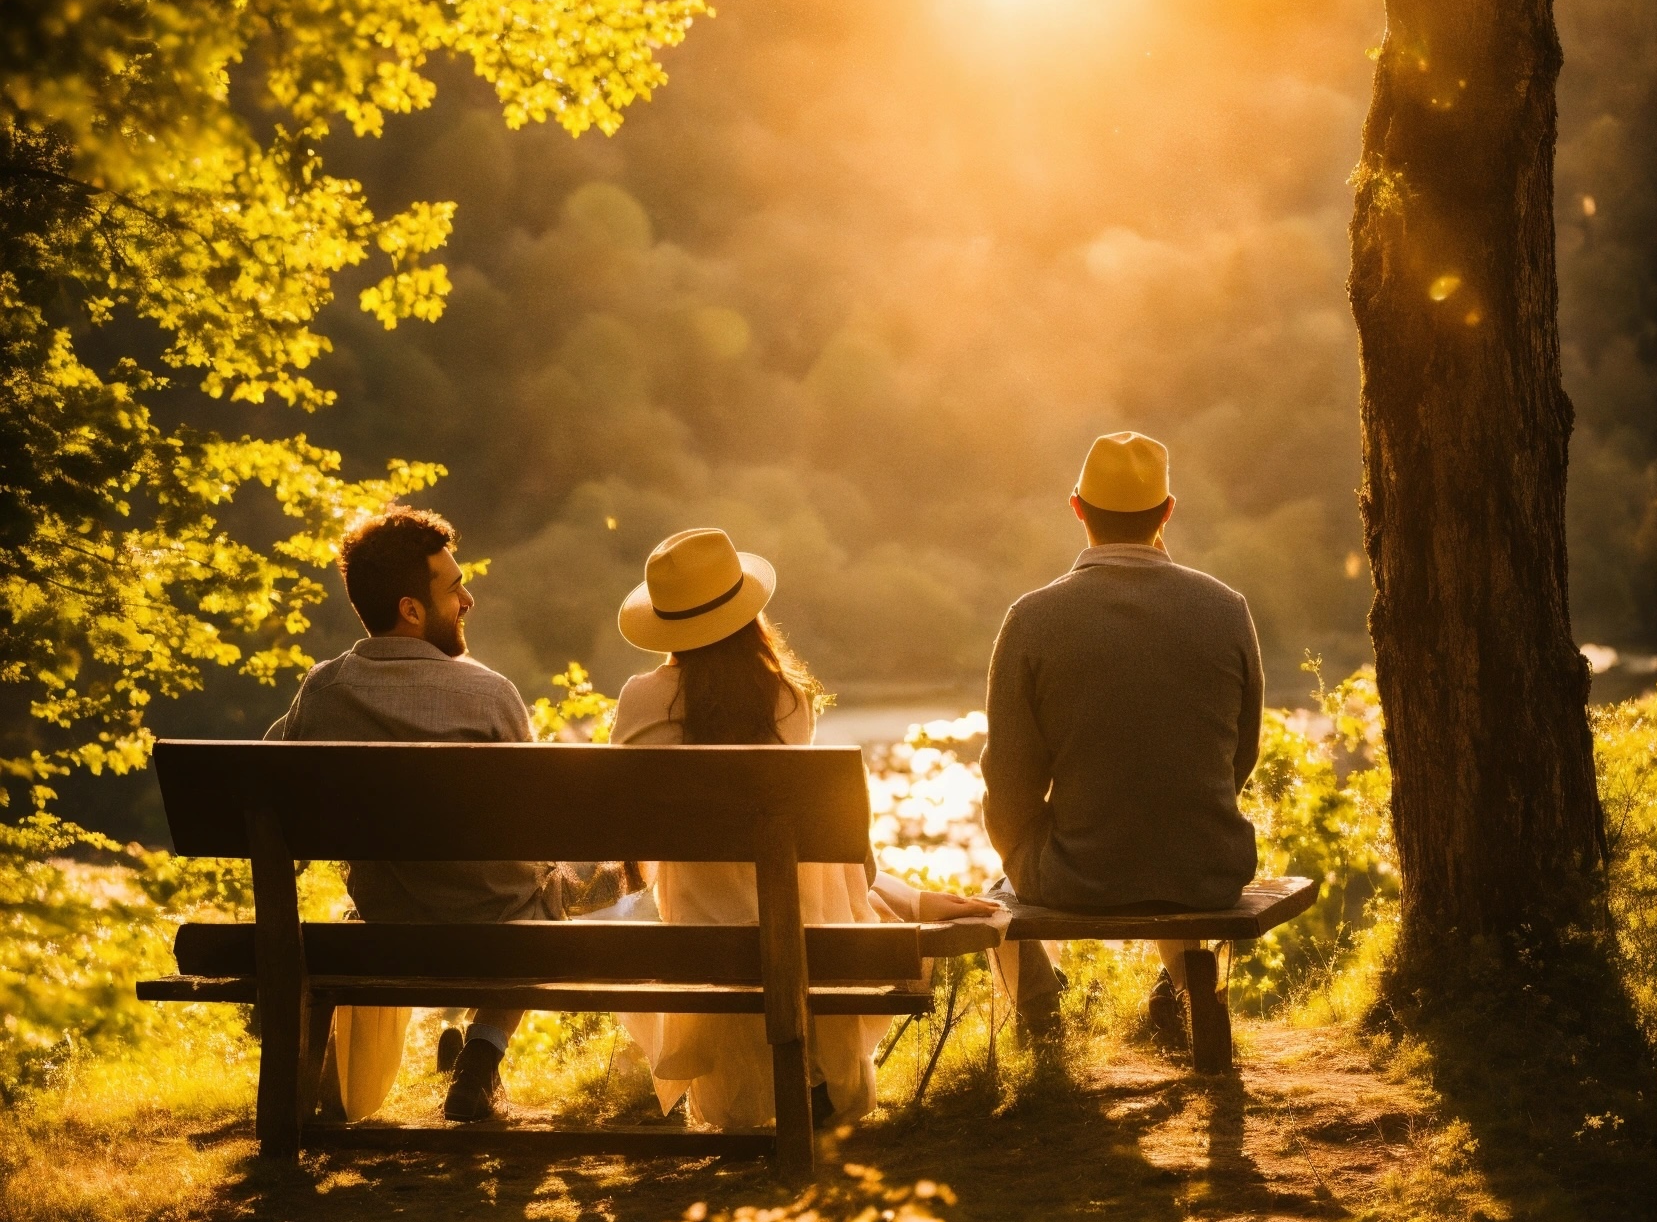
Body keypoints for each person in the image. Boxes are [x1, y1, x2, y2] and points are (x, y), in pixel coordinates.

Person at [610, 527, 994, 1129]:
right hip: (798, 938)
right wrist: (905, 895)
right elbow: (837, 859)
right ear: (747, 614)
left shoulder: (639, 700)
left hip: (695, 933)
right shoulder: (786, 699)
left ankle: (743, 1095)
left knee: (702, 893)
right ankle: (813, 1077)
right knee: (799, 886)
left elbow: (629, 831)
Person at [265, 506, 636, 1122]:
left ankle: (359, 1079)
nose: (467, 599)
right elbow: (542, 824)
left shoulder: (323, 692)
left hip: (385, 921)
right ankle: (483, 1053)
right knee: (553, 894)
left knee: (518, 888)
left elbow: (265, 788)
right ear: (412, 610)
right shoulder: (489, 695)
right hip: (498, 925)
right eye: (454, 586)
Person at [980, 432, 1263, 1038]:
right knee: (1166, 833)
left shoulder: (1031, 619)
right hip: (1207, 868)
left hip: (1079, 875)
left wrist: (1029, 851)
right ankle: (1186, 993)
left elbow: (1007, 781)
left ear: (1077, 508)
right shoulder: (1227, 608)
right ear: (1167, 512)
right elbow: (1242, 754)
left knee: (994, 893)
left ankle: (1044, 1028)